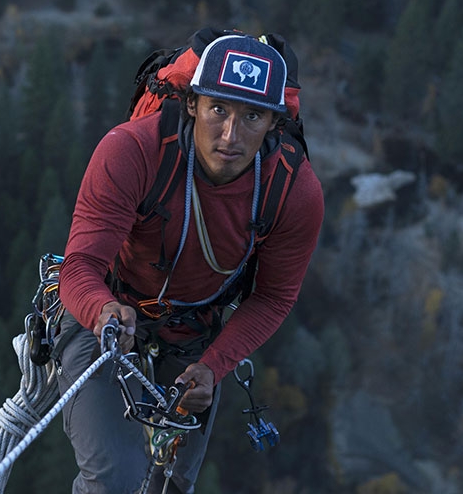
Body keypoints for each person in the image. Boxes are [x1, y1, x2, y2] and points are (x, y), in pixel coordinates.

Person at [54, 32, 324, 493]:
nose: (230, 135)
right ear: (193, 103)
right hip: (104, 317)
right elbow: (79, 266)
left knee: (170, 488)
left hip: (194, 334)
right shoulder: (133, 150)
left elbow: (274, 298)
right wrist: (103, 313)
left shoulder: (293, 191)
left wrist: (214, 366)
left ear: (274, 125)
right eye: (219, 109)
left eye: (252, 116)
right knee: (114, 482)